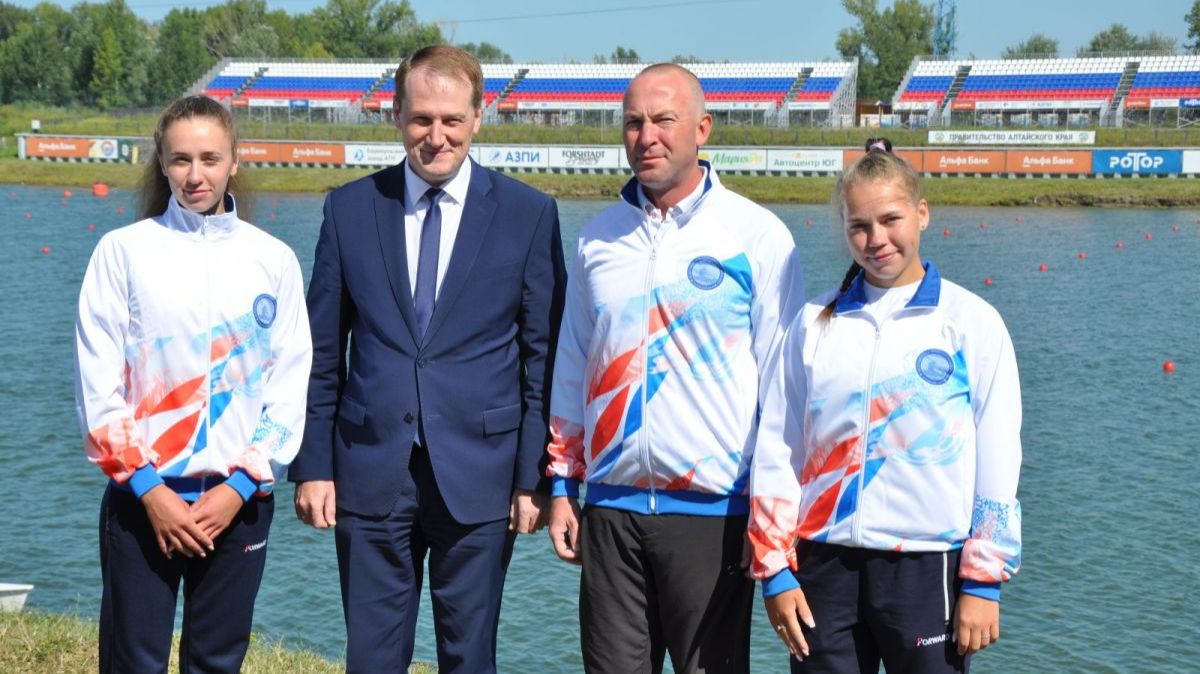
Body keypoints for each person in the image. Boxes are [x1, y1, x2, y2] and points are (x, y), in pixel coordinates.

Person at [288, 45, 566, 674]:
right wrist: (314, 465)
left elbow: (542, 358)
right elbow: (321, 352)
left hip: (483, 474)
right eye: (420, 119)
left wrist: (535, 477)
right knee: (371, 659)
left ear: (478, 117)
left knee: (469, 659)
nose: (435, 137)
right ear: (395, 115)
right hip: (369, 467)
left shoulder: (528, 215)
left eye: (451, 120)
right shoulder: (350, 209)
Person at [545, 63, 804, 674]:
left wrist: (771, 530)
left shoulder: (759, 237)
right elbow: (573, 363)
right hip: (611, 510)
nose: (647, 136)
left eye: (664, 120)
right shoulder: (597, 239)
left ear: (702, 129)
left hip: (714, 515)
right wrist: (562, 484)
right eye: (633, 123)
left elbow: (783, 395)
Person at [748, 138, 1023, 673]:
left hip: (927, 566)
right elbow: (779, 446)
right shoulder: (813, 322)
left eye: (890, 220)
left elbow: (998, 455)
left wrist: (983, 579)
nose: (876, 239)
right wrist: (774, 567)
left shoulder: (971, 322)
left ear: (922, 213)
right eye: (859, 226)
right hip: (822, 563)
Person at [74, 94, 312, 674]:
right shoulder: (122, 252)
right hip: (143, 501)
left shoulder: (274, 259)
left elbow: (289, 383)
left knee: (216, 662)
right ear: (162, 162)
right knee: (134, 662)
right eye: (181, 159)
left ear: (235, 161)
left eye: (210, 158)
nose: (195, 175)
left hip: (237, 504)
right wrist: (148, 488)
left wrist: (240, 486)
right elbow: (97, 384)